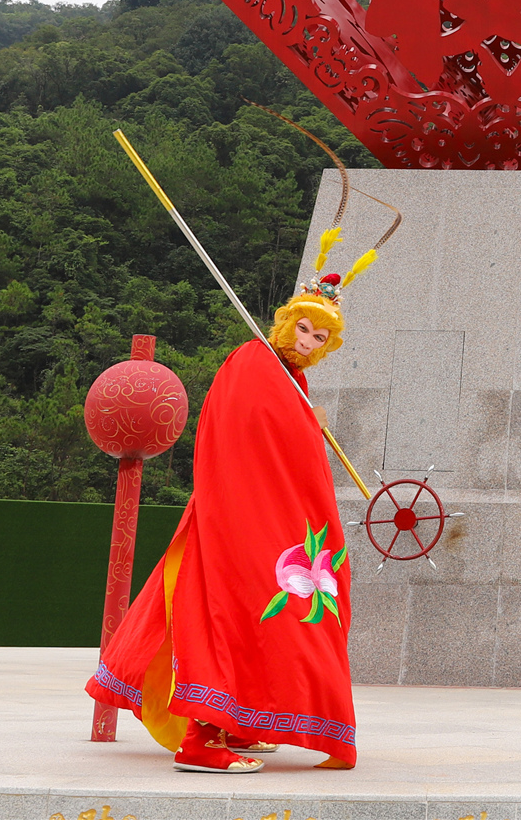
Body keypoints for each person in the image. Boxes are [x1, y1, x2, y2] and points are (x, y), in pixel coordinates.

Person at [86, 272, 359, 773]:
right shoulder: (255, 362)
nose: (309, 343)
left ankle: (234, 722)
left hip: (257, 521)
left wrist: (306, 422)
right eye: (304, 329)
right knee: (225, 614)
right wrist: (304, 424)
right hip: (238, 517)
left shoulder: (289, 378)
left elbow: (282, 448)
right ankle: (201, 739)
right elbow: (244, 436)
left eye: (320, 339)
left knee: (258, 614)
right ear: (285, 324)